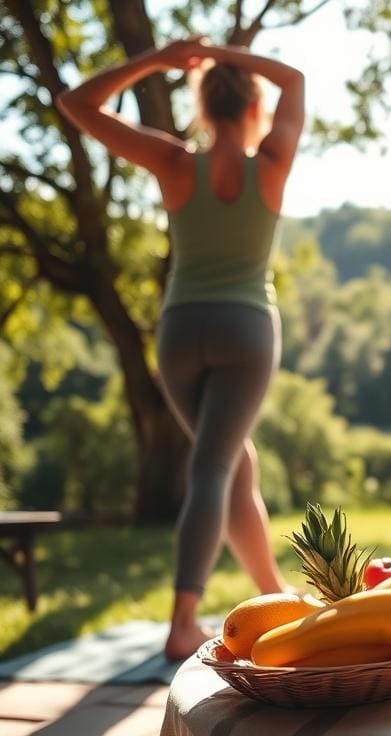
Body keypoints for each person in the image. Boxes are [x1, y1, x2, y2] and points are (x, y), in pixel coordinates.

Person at [57, 38, 305, 659]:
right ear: (254, 108)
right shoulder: (272, 162)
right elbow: (295, 80)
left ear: (203, 108)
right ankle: (181, 623)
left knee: (232, 462)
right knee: (215, 467)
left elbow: (77, 103)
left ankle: (273, 594)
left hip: (180, 331)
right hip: (246, 328)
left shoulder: (173, 162)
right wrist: (225, 52)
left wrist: (157, 59)